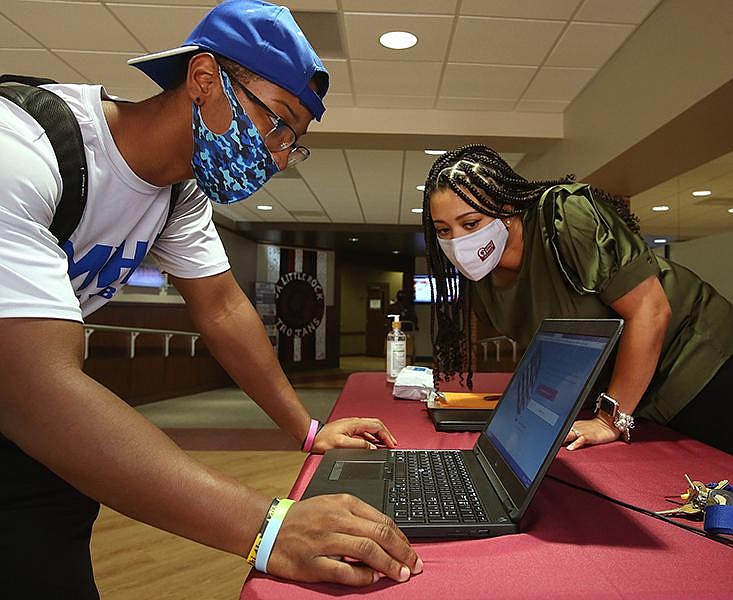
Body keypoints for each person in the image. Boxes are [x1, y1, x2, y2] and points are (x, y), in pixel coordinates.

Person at [0, 1, 421, 597]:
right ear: (204, 79)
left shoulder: (179, 195)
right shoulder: (21, 146)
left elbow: (223, 310)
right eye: (277, 124)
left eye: (293, 142)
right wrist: (269, 526)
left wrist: (306, 430)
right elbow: (30, 386)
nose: (278, 155)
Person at [421, 144, 733, 454]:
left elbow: (650, 310)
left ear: (505, 208)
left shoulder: (564, 216)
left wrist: (609, 420)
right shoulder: (483, 277)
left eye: (470, 223)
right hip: (635, 396)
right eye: (443, 230)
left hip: (697, 360)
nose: (458, 242)